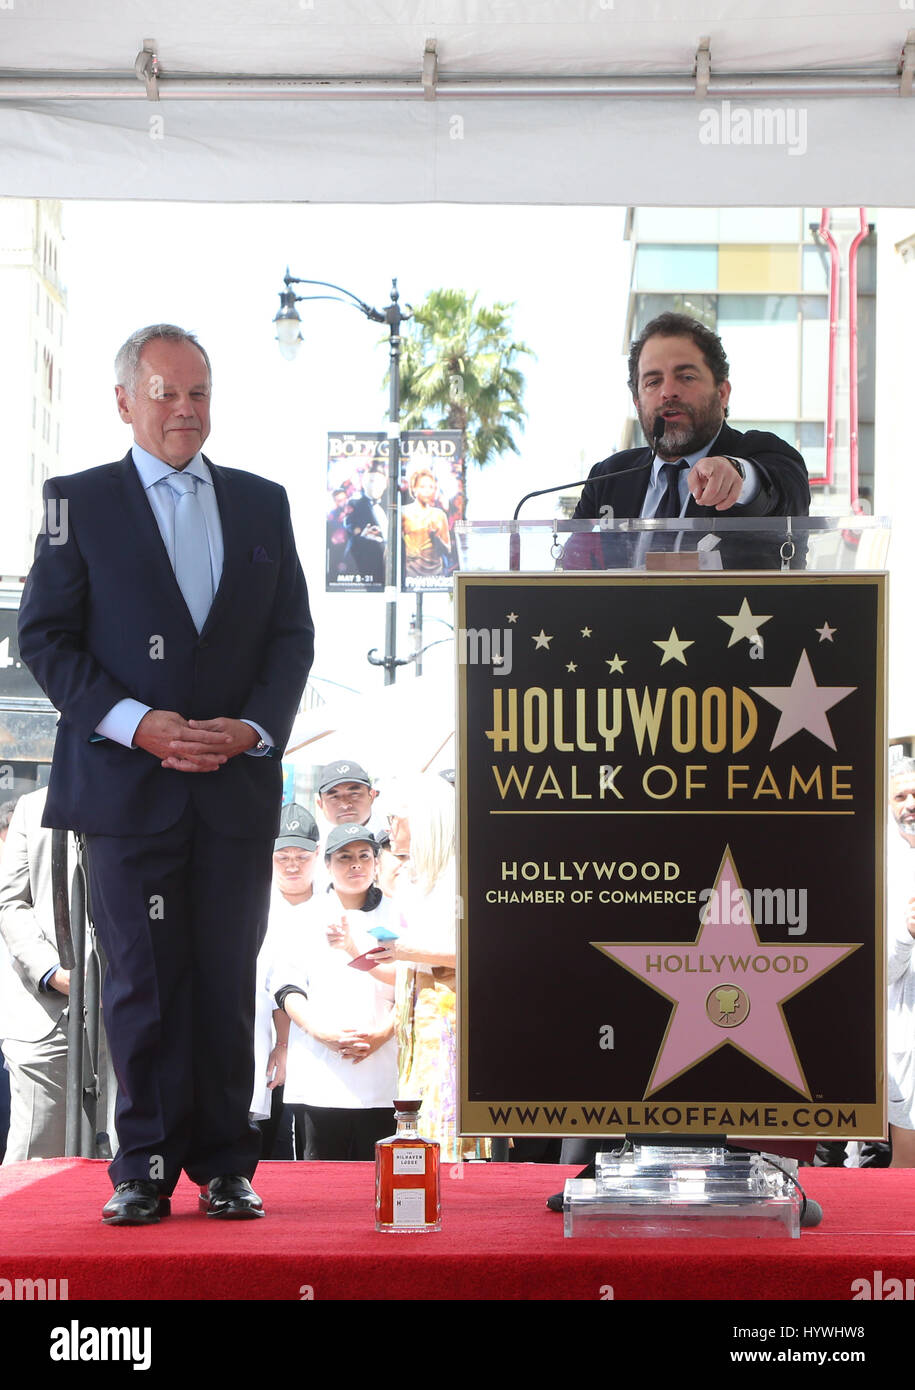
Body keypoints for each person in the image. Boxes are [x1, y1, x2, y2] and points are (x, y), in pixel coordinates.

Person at [17, 323, 314, 1224]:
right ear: (124, 402)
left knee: (227, 975)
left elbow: (292, 637)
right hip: (125, 790)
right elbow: (44, 636)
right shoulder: (75, 501)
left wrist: (254, 728)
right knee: (140, 979)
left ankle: (228, 1162)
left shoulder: (264, 503)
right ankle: (141, 1161)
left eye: (199, 394)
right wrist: (135, 724)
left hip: (233, 791)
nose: (185, 410)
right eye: (165, 393)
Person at [572, 311, 810, 535]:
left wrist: (736, 473)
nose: (668, 392)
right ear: (637, 402)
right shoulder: (607, 477)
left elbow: (784, 499)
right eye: (653, 382)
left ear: (722, 393)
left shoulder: (769, 454)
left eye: (686, 377)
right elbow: (572, 565)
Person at [273, 824, 398, 1159]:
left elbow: (412, 988)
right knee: (322, 1183)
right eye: (344, 857)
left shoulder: (399, 913)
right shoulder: (304, 916)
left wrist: (381, 1035)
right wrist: (322, 1034)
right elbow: (288, 989)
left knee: (382, 1179)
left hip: (386, 1075)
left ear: (376, 862)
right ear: (327, 864)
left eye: (363, 856)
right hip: (320, 1076)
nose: (355, 865)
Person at [0, 787, 70, 1162]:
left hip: (128, 1006)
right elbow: (11, 902)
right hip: (44, 1013)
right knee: (34, 1158)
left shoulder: (145, 795)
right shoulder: (32, 807)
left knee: (125, 1160)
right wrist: (52, 972)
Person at [250, 802, 321, 1161]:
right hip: (264, 1046)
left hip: (322, 1047)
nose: (293, 864)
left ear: (318, 854)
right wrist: (281, 1044)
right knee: (269, 1147)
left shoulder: (333, 903)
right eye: (283, 856)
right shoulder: (252, 905)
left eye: (302, 855)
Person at [887, 755, 915, 1168]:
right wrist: (907, 933)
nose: (910, 803)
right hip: (905, 1035)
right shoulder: (878, 868)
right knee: (907, 1163)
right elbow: (880, 972)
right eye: (900, 796)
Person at [401, 467, 452, 580]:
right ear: (414, 489)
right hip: (410, 573)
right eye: (423, 487)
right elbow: (393, 545)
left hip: (435, 576)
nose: (427, 490)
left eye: (431, 487)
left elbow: (448, 550)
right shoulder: (403, 513)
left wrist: (435, 538)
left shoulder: (439, 515)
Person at [343, 462, 388, 585]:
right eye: (371, 481)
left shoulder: (390, 506)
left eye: (379, 481)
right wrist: (362, 533)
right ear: (364, 483)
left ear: (385, 484)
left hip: (385, 568)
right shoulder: (354, 503)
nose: (374, 486)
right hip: (361, 565)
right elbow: (349, 523)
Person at [316, 761, 385, 835]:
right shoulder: (314, 841)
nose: (345, 805)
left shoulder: (393, 836)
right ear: (320, 804)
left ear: (371, 796)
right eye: (334, 797)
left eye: (354, 794)